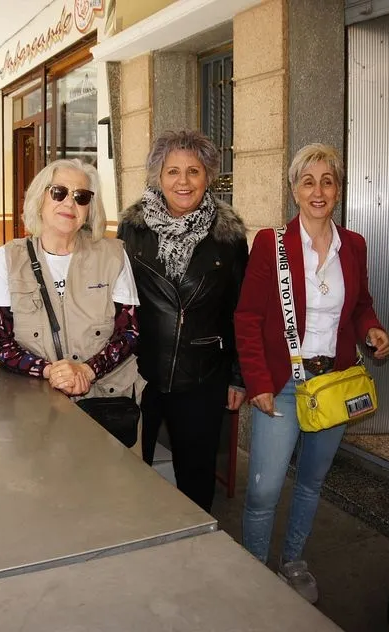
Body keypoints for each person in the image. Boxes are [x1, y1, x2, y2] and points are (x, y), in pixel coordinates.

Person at [234, 143, 389, 602]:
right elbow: (247, 318)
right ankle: (255, 573)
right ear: (294, 190)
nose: (318, 191)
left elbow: (360, 305)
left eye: (327, 181)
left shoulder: (354, 245)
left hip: (332, 384)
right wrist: (258, 382)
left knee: (311, 482)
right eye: (308, 182)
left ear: (338, 189)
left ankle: (293, 562)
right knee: (264, 489)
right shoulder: (271, 244)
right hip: (282, 385)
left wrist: (372, 329)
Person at [117, 129, 248, 512]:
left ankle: (194, 541)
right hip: (139, 371)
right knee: (129, 472)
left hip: (202, 376)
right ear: (158, 176)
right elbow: (117, 302)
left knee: (196, 479)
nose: (183, 181)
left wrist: (238, 376)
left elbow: (240, 309)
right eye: (173, 171)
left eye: (194, 171)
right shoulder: (132, 229)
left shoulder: (229, 236)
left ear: (208, 176)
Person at [0, 158, 139, 404]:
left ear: (90, 208)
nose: (69, 203)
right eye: (59, 192)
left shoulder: (114, 256)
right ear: (39, 199)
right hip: (39, 403)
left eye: (81, 197)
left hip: (106, 400)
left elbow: (129, 332)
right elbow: (2, 343)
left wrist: (87, 371)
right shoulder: (6, 260)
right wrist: (50, 371)